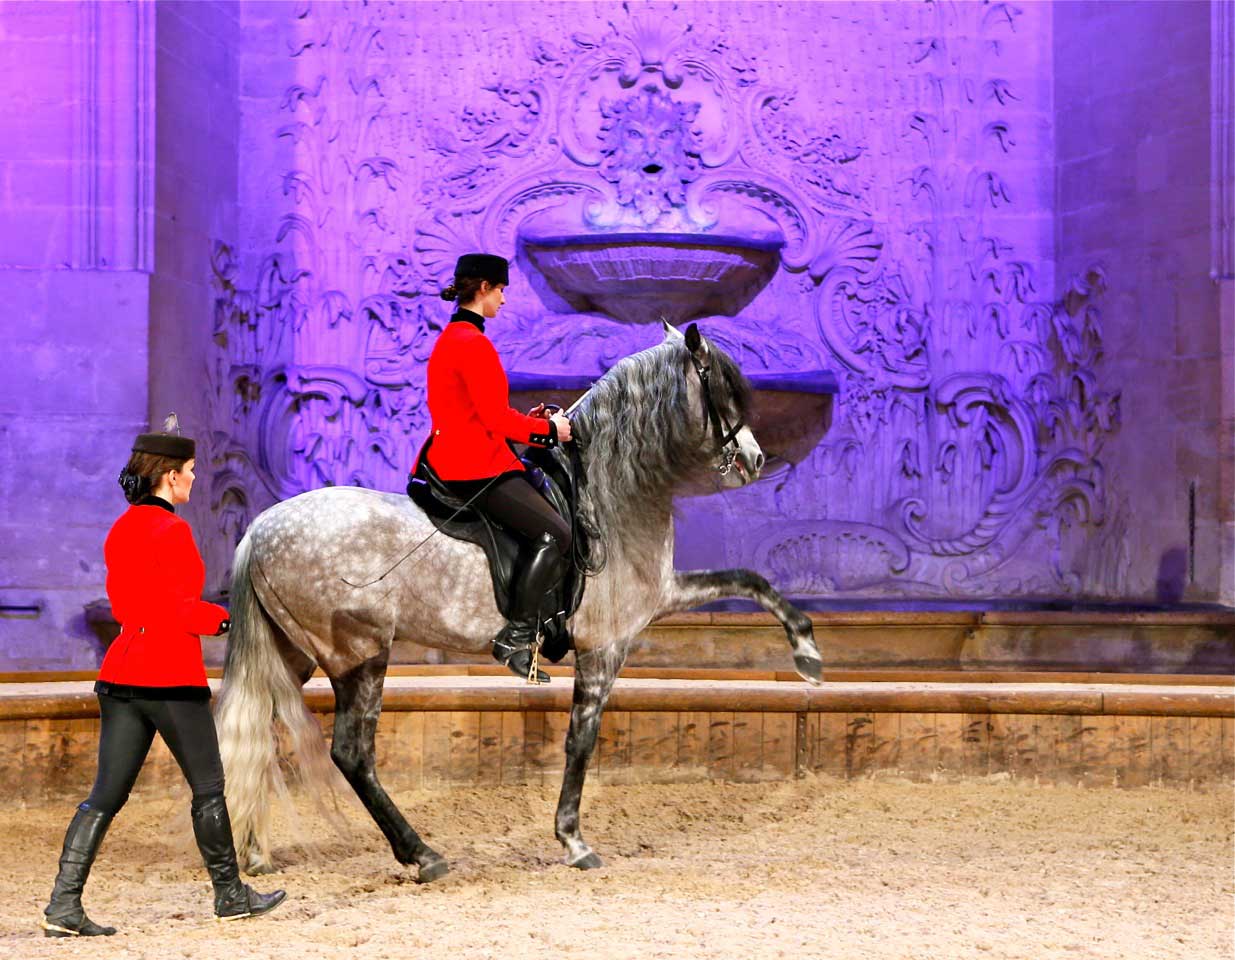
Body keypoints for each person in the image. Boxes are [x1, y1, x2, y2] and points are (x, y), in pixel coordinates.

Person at [40, 425, 285, 937]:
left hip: (120, 674)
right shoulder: (171, 530)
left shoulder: (121, 527)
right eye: (190, 471)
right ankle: (230, 895)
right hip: (169, 676)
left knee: (104, 796)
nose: (194, 478)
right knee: (209, 789)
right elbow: (179, 609)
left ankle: (63, 904)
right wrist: (226, 619)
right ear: (170, 476)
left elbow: (129, 606)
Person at [413, 253, 573, 682]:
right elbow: (494, 419)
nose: (503, 299)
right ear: (483, 287)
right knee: (556, 534)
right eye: (500, 290)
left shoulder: (454, 337)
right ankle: (516, 638)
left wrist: (530, 421)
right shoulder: (472, 343)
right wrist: (549, 431)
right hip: (474, 466)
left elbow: (480, 412)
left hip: (459, 455)